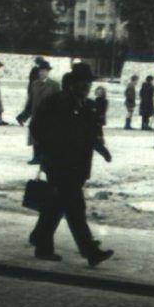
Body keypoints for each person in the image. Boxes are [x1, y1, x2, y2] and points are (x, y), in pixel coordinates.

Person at [28, 63, 113, 266]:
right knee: (75, 208)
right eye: (82, 83)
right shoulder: (57, 102)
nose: (86, 87)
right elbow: (36, 126)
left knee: (56, 206)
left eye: (88, 84)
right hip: (59, 163)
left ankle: (40, 239)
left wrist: (103, 150)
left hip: (78, 165)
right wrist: (50, 147)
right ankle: (89, 251)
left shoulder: (86, 106)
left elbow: (91, 134)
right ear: (72, 84)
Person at [26, 61, 60, 164]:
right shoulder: (34, 84)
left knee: (46, 137)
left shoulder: (54, 85)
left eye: (44, 71)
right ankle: (36, 157)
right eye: (40, 71)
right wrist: (24, 115)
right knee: (34, 136)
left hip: (48, 116)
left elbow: (58, 101)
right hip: (36, 114)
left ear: (48, 72)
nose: (41, 73)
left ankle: (44, 157)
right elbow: (30, 100)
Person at [16, 56, 46, 126]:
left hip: (32, 89)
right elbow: (37, 80)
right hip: (34, 90)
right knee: (32, 106)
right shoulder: (37, 70)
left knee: (31, 106)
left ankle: (21, 118)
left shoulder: (35, 69)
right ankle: (21, 118)